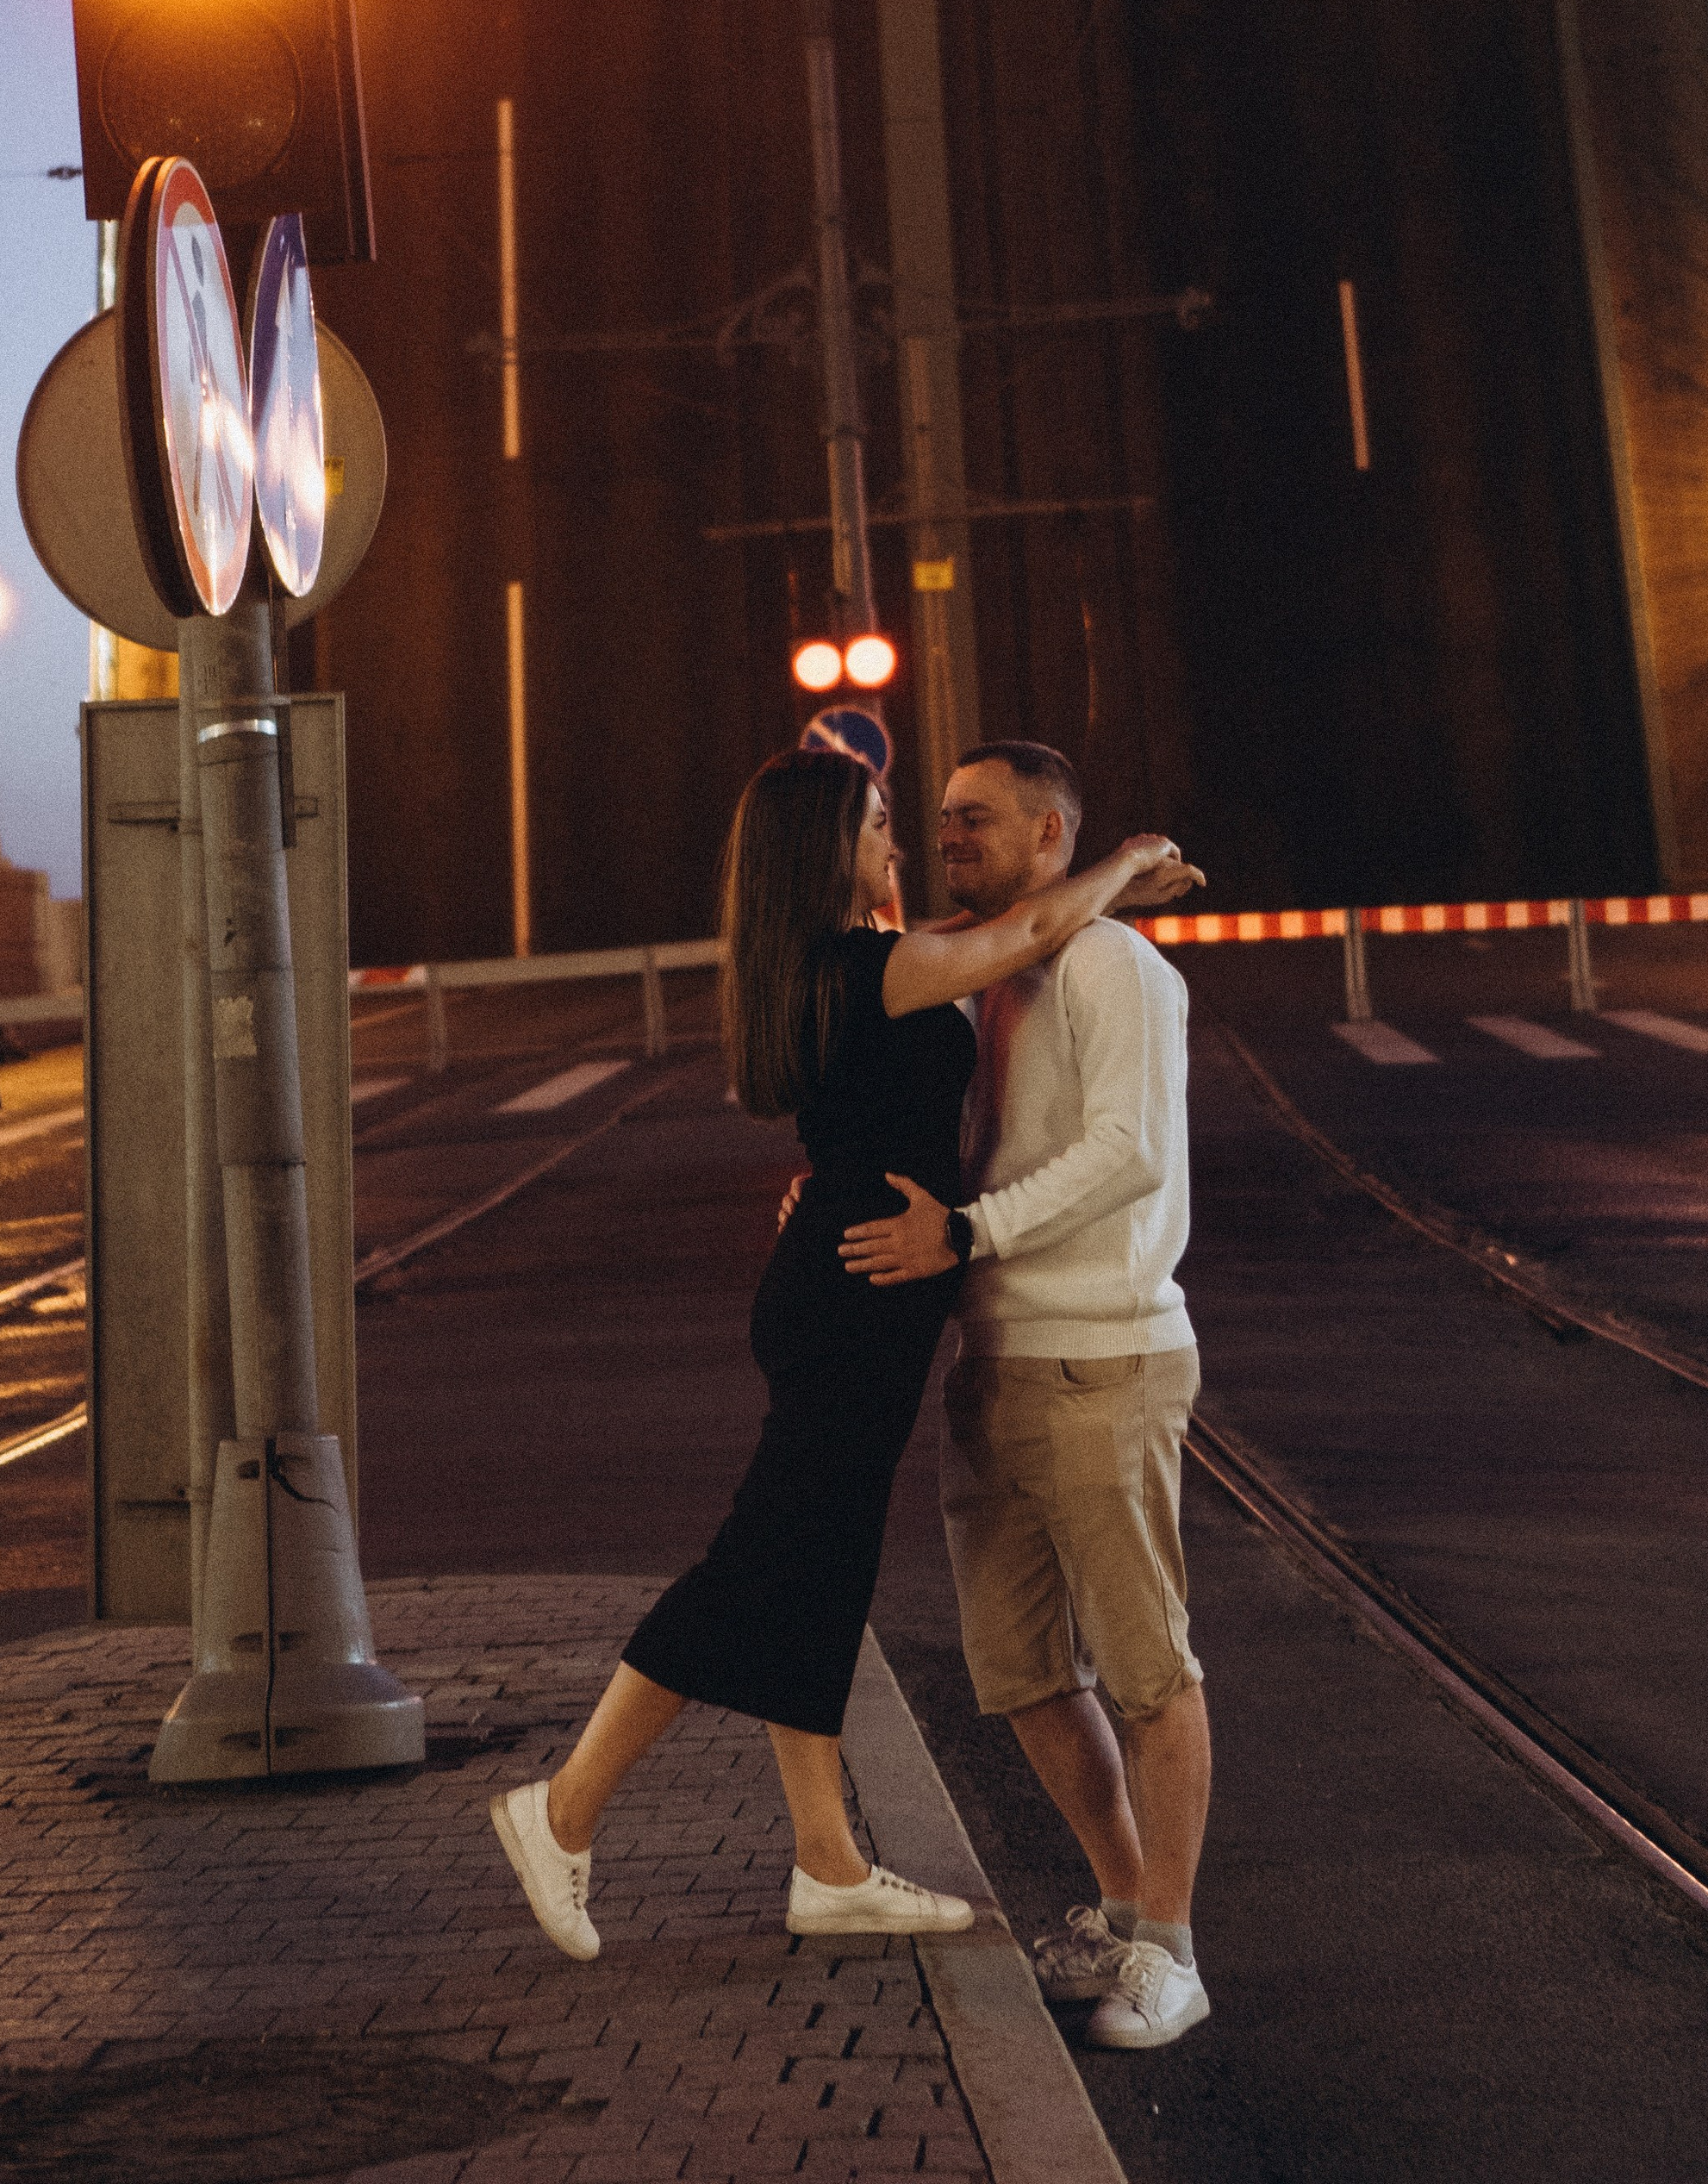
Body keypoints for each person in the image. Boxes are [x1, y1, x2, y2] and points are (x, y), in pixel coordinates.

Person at [488, 745, 1201, 1964]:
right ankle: (563, 1810)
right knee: (761, 1562)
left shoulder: (824, 964)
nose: (902, 843)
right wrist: (1127, 861)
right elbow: (1027, 933)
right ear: (827, 849)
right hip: (857, 1298)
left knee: (820, 1567)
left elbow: (986, 950)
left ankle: (827, 1862)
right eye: (879, 823)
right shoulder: (871, 967)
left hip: (847, 1285)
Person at [838, 741, 1212, 2051]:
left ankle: (1171, 1950)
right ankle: (1122, 1902)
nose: (948, 836)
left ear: (1052, 834)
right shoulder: (988, 970)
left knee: (1149, 1668)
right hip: (990, 1357)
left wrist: (969, 1233)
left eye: (978, 819)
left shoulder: (1114, 967)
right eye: (939, 817)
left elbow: (1128, 1153)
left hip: (1103, 1352)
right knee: (1022, 1672)